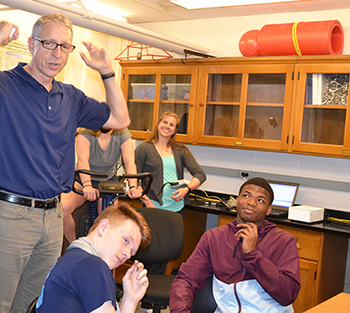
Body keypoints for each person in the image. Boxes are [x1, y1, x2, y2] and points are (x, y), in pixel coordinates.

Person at [0, 13, 130, 313]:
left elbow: (121, 119)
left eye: (65, 47)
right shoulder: (3, 84)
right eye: (49, 44)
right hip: (10, 214)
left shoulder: (70, 97)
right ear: (31, 44)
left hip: (52, 216)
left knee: (33, 303)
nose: (57, 54)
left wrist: (107, 70)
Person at [170, 177, 301, 313]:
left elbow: (288, 295)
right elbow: (186, 280)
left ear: (268, 210)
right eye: (246, 195)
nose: (251, 202)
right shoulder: (214, 238)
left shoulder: (283, 241)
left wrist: (252, 256)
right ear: (237, 200)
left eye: (260, 200)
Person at [36, 203, 151, 313]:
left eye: (132, 252)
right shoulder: (93, 266)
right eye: (126, 240)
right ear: (103, 227)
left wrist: (130, 299)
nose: (127, 254)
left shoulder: (75, 258)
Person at [62, 127, 142, 243]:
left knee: (109, 219)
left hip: (108, 180)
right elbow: (82, 160)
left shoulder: (122, 133)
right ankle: (74, 247)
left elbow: (129, 161)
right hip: (85, 176)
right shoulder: (85, 132)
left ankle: (100, 253)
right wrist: (87, 185)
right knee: (63, 209)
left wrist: (133, 186)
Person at [135, 111, 206, 215]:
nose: (167, 126)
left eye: (171, 125)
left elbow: (200, 175)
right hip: (153, 207)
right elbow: (134, 179)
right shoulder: (144, 149)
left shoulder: (180, 150)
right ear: (157, 123)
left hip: (177, 209)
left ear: (174, 130)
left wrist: (187, 189)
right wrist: (148, 203)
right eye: (165, 122)